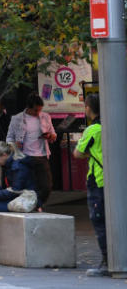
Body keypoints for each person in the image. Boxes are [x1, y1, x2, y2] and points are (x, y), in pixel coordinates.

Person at [74, 95, 107, 277]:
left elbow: (77, 153)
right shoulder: (112, 125)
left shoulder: (92, 130)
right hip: (114, 180)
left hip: (98, 180)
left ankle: (108, 261)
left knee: (99, 220)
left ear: (88, 108)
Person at [6, 94, 56, 204]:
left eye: (40, 110)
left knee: (46, 185)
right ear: (28, 107)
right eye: (35, 110)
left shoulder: (45, 117)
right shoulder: (17, 118)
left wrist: (49, 136)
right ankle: (29, 206)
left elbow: (53, 135)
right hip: (24, 156)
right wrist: (14, 144)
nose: (37, 113)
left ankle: (38, 204)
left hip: (42, 155)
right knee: (26, 185)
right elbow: (9, 138)